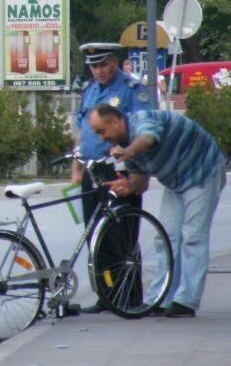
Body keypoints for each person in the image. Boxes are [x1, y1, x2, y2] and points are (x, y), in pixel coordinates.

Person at [88, 104, 227, 318]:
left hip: (202, 173)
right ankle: (161, 297)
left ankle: (186, 301)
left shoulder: (142, 121)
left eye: (101, 131)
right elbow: (140, 181)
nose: (101, 138)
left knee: (193, 237)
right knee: (165, 237)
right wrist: (128, 186)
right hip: (176, 182)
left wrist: (127, 152)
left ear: (115, 122)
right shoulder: (125, 146)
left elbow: (148, 139)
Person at [71, 42, 153, 314]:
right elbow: (81, 129)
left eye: (104, 64)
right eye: (94, 66)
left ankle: (128, 297)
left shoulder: (131, 89)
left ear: (115, 62)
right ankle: (107, 295)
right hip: (92, 168)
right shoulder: (89, 90)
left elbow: (141, 129)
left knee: (122, 233)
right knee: (96, 234)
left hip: (119, 167)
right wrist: (76, 164)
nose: (100, 71)